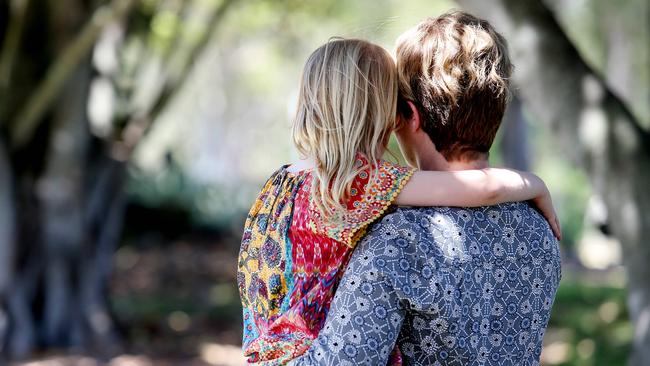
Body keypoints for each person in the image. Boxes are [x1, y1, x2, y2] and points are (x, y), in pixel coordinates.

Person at [238, 37, 560, 364]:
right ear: (385, 118)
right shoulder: (361, 183)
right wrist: (535, 184)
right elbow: (481, 189)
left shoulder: (280, 184)